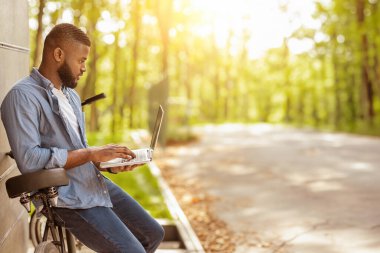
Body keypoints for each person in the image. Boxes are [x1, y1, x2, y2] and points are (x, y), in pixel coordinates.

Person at [1, 23, 164, 253]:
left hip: (92, 182)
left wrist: (107, 163)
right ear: (58, 54)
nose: (84, 68)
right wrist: (90, 153)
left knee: (153, 233)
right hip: (65, 196)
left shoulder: (72, 97)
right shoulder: (21, 97)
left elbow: (80, 150)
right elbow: (29, 160)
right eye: (81, 60)